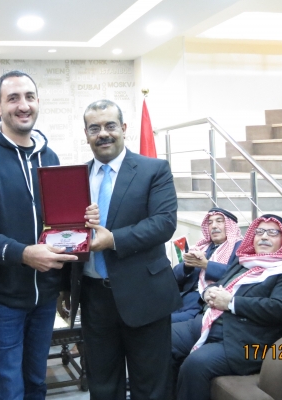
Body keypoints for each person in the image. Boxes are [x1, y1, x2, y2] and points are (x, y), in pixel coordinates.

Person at [0, 70, 98, 400]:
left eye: (29, 97)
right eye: (13, 98)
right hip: (1, 300)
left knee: (36, 383)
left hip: (44, 297)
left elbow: (60, 224)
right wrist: (23, 254)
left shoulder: (50, 157)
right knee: (8, 390)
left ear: (38, 102)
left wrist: (83, 220)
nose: (23, 105)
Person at [63, 99, 181, 400]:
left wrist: (112, 239)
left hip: (145, 295)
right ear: (86, 134)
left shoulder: (154, 170)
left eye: (110, 125)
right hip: (94, 298)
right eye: (94, 128)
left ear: (124, 128)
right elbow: (66, 231)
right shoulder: (75, 178)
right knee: (102, 386)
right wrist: (64, 286)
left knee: (151, 387)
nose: (103, 133)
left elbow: (163, 223)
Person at [170, 214, 282, 400]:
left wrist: (231, 303)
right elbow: (221, 282)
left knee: (195, 364)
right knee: (161, 338)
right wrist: (208, 292)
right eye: (259, 232)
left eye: (272, 233)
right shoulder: (245, 260)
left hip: (244, 340)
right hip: (208, 323)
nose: (264, 237)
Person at [172, 208, 243, 323]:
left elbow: (236, 275)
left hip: (203, 305)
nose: (213, 226)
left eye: (219, 221)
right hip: (181, 298)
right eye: (210, 222)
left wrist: (206, 265)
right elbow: (174, 276)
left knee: (161, 324)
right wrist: (188, 265)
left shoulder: (239, 248)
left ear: (230, 226)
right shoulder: (202, 246)